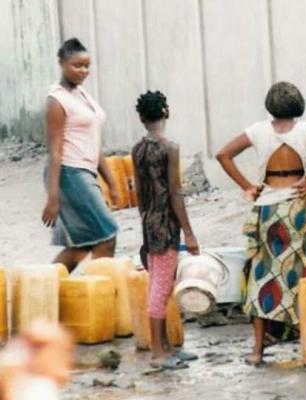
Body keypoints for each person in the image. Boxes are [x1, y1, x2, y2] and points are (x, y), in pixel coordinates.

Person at [216, 82, 306, 366]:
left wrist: (247, 186)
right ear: (297, 105)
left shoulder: (258, 131)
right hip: (299, 208)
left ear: (269, 106)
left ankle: (258, 351)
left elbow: (223, 154)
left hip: (268, 210)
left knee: (263, 277)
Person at [131, 90, 200, 370]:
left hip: (149, 221)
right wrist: (189, 233)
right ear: (166, 112)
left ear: (141, 118)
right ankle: (159, 353)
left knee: (161, 284)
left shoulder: (137, 150)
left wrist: (146, 223)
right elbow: (175, 192)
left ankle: (168, 348)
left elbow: (139, 192)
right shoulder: (169, 148)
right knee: (160, 289)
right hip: (167, 225)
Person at [41, 38, 119, 272]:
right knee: (107, 235)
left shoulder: (82, 95)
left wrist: (111, 182)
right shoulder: (56, 100)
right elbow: (54, 150)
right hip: (68, 173)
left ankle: (45, 290)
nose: (83, 71)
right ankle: (96, 296)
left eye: (87, 66)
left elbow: (95, 144)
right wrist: (53, 197)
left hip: (85, 172)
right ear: (61, 63)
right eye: (77, 65)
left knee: (84, 246)